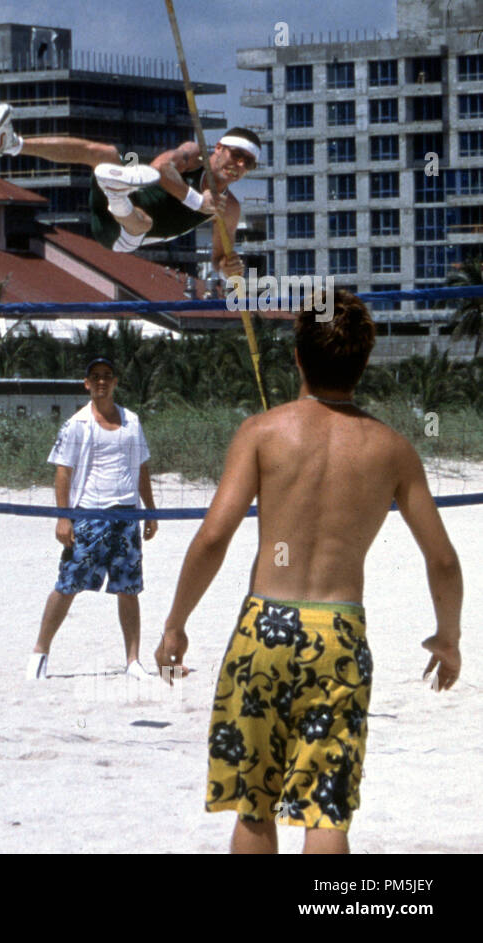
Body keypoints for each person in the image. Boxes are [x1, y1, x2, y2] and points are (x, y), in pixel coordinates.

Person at [155, 291, 463, 854]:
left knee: (254, 805)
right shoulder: (392, 450)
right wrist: (449, 637)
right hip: (337, 633)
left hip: (264, 625)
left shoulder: (263, 431)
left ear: (297, 358)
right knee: (327, 810)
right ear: (364, 363)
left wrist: (176, 622)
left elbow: (213, 537)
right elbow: (442, 559)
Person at [0, 102, 254, 278]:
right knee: (104, 153)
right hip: (110, 205)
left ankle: (117, 194)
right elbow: (160, 168)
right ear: (218, 148)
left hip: (122, 234)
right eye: (236, 154)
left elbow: (219, 259)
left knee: (142, 220)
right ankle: (10, 143)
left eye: (247, 163)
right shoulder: (193, 155)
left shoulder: (229, 209)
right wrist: (197, 200)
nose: (238, 165)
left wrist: (226, 269)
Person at [29, 356, 158, 683]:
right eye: (95, 377)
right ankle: (39, 653)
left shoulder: (132, 421)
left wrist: (151, 510)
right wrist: (64, 517)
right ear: (87, 384)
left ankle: (132, 661)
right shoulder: (77, 424)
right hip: (89, 515)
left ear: (115, 382)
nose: (101, 381)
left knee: (129, 590)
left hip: (126, 516)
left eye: (107, 376)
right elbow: (63, 472)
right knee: (67, 584)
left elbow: (142, 468)